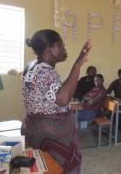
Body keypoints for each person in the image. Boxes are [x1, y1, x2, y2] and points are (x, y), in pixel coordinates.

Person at [21, 29, 92, 173]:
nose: (64, 49)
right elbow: (63, 99)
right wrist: (77, 64)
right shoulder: (45, 71)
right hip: (52, 133)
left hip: (35, 127)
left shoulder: (32, 65)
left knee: (45, 167)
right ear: (48, 49)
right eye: (61, 46)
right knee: (61, 167)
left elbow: (52, 95)